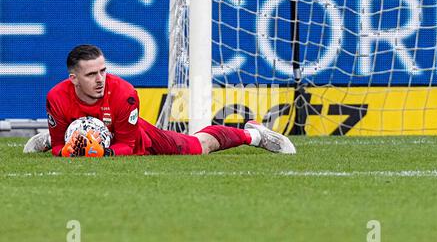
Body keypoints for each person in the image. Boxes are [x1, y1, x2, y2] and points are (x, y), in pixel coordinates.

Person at [24, 44, 296, 157]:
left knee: (196, 147)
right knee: (57, 140)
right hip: (81, 133)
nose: (100, 79)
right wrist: (68, 147)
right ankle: (58, 135)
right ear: (73, 78)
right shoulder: (56, 97)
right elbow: (61, 148)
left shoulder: (124, 93)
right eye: (91, 74)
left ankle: (254, 135)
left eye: (103, 71)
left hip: (133, 136)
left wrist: (100, 152)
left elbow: (126, 146)